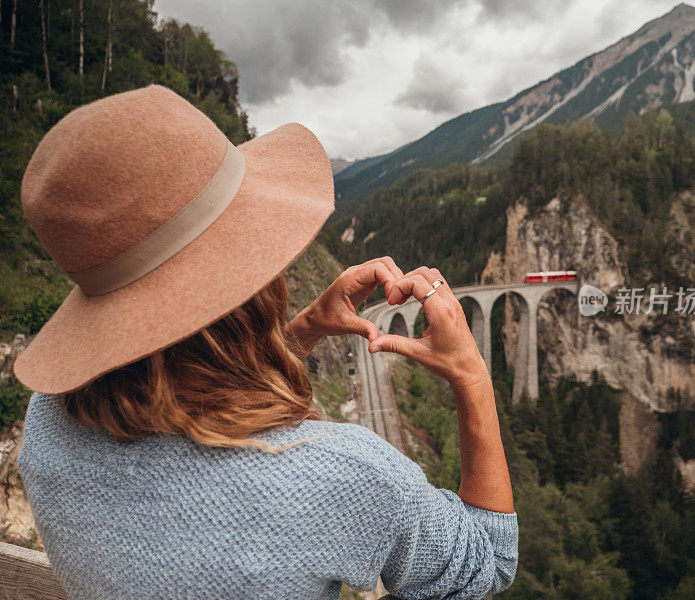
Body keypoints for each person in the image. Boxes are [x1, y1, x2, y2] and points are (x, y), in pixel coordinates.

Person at [13, 84, 518, 600]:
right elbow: (488, 562)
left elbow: (191, 390)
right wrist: (471, 374)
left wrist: (305, 329)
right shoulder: (340, 476)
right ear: (250, 280)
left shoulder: (49, 427)